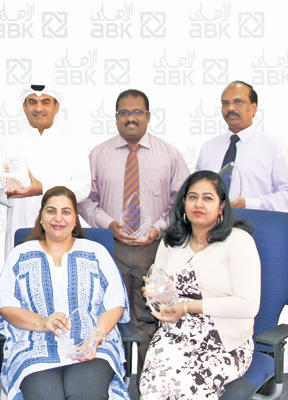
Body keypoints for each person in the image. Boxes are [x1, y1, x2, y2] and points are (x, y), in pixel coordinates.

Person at [78, 88, 189, 378]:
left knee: (149, 317)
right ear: (116, 117)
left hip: (155, 252)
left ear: (148, 116)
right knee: (108, 315)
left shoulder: (170, 155)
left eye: (138, 112)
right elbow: (84, 200)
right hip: (109, 249)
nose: (131, 118)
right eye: (125, 112)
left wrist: (158, 228)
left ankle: (149, 381)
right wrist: (108, 224)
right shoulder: (98, 155)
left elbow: (182, 203)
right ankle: (112, 378)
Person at [0, 186, 130, 400]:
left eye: (66, 212)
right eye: (51, 211)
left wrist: (98, 335)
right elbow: (6, 306)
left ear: (75, 219)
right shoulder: (20, 254)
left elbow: (115, 302)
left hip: (92, 344)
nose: (58, 218)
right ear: (41, 217)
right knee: (46, 396)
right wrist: (43, 322)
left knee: (86, 394)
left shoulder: (96, 252)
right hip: (33, 345)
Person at [140, 170, 260, 399]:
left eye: (207, 198)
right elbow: (163, 294)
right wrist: (157, 295)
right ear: (183, 202)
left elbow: (247, 305)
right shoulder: (171, 242)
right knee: (153, 391)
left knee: (185, 390)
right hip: (174, 337)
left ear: (221, 206)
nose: (198, 204)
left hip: (222, 343)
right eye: (192, 197)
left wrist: (188, 307)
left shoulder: (239, 241)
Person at [0, 83, 90, 257]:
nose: (38, 108)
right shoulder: (11, 143)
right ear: (24, 107)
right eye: (32, 102)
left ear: (56, 107)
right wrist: (9, 192)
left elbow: (83, 187)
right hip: (20, 227)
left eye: (45, 102)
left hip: (61, 230)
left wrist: (43, 188)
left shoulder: (73, 143)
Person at [195, 80, 288, 212]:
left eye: (238, 102)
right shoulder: (209, 148)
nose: (230, 108)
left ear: (254, 108)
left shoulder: (274, 148)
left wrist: (249, 204)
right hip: (213, 223)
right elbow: (197, 191)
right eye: (225, 103)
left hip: (257, 223)